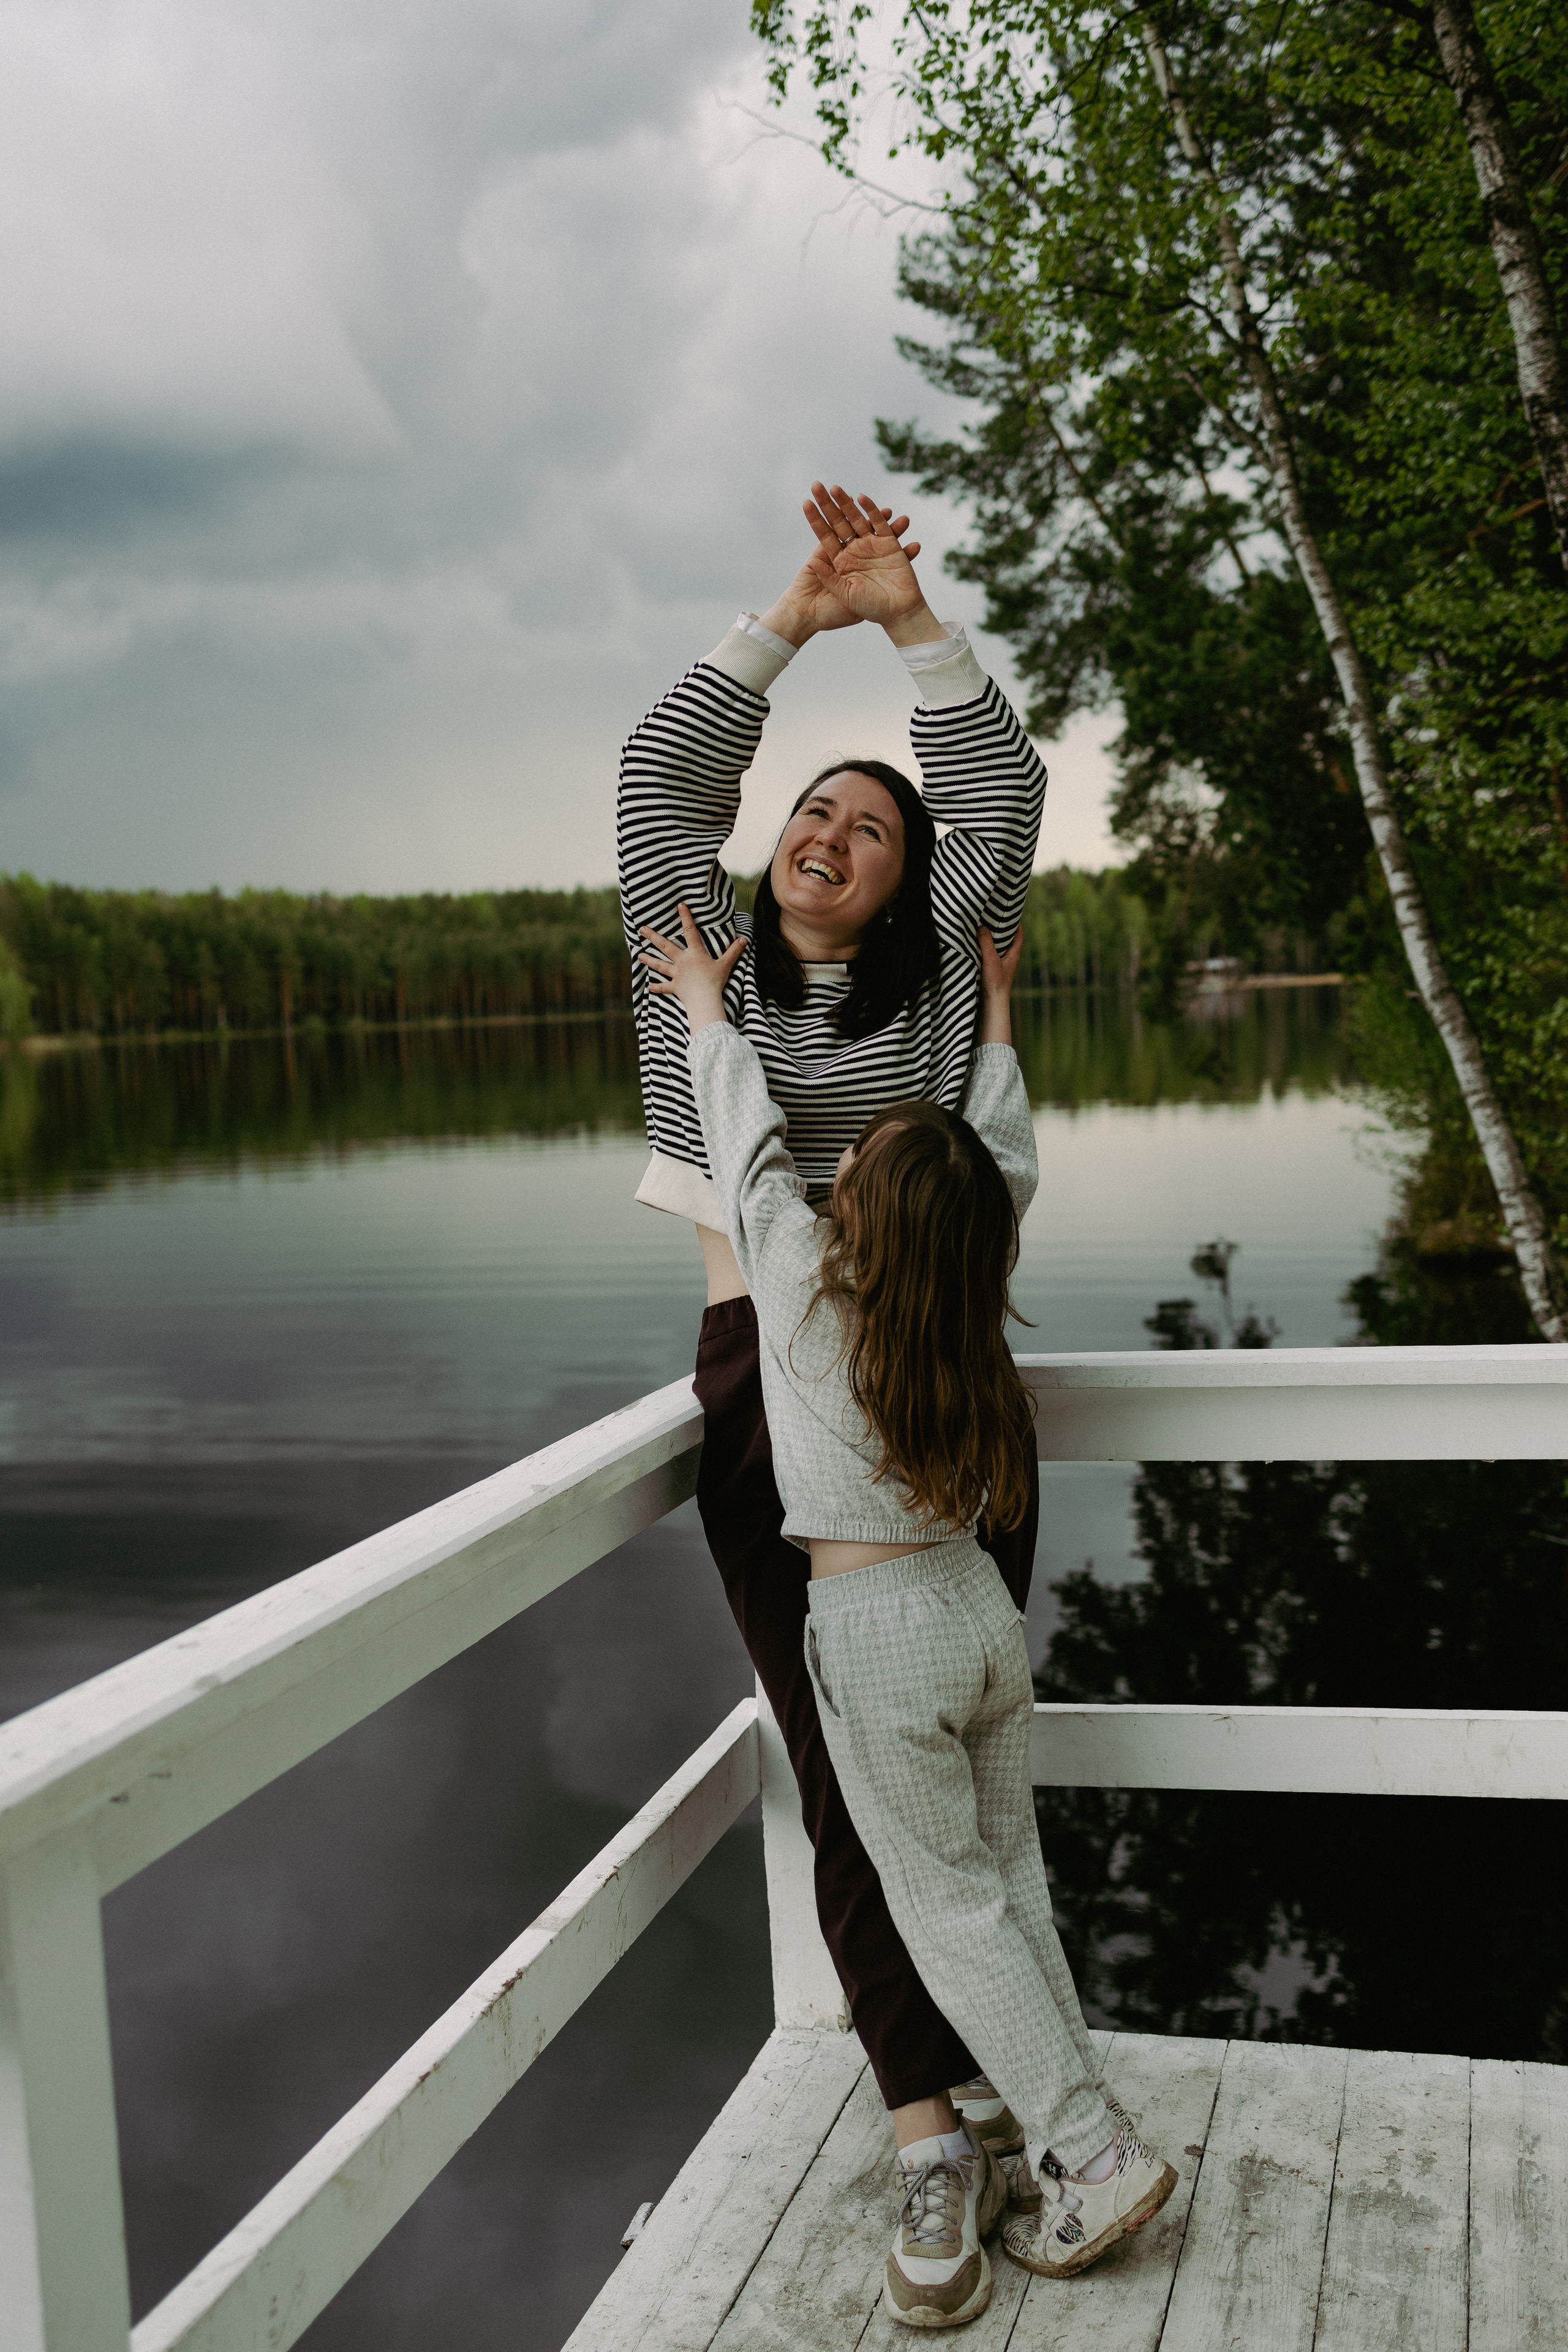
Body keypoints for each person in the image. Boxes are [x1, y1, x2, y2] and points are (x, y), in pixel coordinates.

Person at [636, 904, 1178, 2328]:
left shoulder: (807, 1300)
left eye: (857, 1170)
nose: (834, 1181)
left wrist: (705, 1001)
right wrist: (991, 1018)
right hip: (976, 1610)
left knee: (944, 1911)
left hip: (877, 1637)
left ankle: (1090, 2151)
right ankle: (1073, 2120)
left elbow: (747, 1144)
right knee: (1013, 1889)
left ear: (860, 1211)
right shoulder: (960, 1301)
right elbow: (1000, 1160)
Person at [617, 484, 1046, 2179]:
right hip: (767, 1400)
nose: (834, 828)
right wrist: (790, 622)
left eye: (873, 822)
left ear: (906, 878)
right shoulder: (691, 961)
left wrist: (909, 622)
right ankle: (927, 2125)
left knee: (968, 1752)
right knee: (846, 1765)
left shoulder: (940, 973)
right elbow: (661, 780)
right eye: (814, 803)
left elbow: (1000, 789)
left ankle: (1017, 2075)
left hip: (952, 1384)